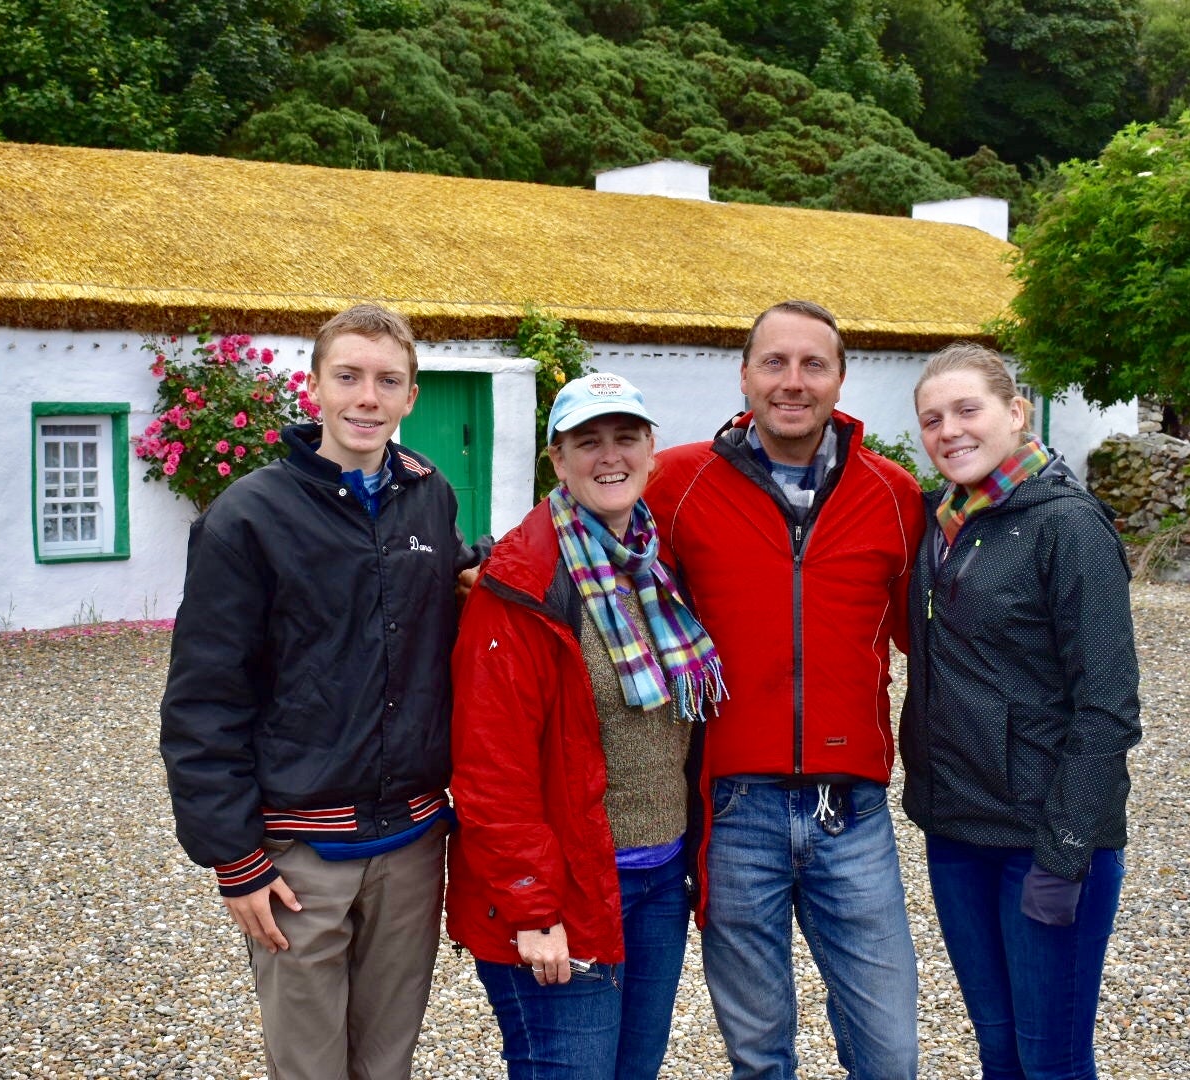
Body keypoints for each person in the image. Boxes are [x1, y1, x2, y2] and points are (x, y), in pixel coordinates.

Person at [158, 303, 481, 1080]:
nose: (367, 397)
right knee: (309, 1069)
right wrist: (233, 857)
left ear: (410, 396)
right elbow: (204, 700)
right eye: (349, 376)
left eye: (387, 380)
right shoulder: (248, 518)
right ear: (315, 387)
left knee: (386, 1063)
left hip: (410, 845)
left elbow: (452, 581)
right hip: (301, 855)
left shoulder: (428, 495)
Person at [645, 299, 925, 1080]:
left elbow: (934, 637)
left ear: (840, 377)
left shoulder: (893, 494)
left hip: (853, 812)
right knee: (760, 1055)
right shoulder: (677, 483)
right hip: (736, 810)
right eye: (774, 363)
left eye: (812, 364)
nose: (792, 382)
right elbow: (581, 544)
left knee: (890, 1053)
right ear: (744, 374)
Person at [446, 372, 727, 1080]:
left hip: (657, 880)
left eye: (625, 437)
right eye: (588, 441)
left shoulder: (657, 566)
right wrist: (533, 911)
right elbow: (490, 768)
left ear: (651, 450)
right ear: (557, 459)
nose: (610, 456)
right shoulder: (520, 585)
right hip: (565, 895)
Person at [900, 342, 1141, 1079]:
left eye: (967, 410)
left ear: (1015, 411)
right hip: (958, 837)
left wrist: (1066, 851)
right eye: (932, 419)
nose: (950, 431)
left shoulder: (1067, 526)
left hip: (1044, 844)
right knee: (999, 1052)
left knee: (1052, 1061)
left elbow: (1108, 706)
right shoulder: (941, 520)